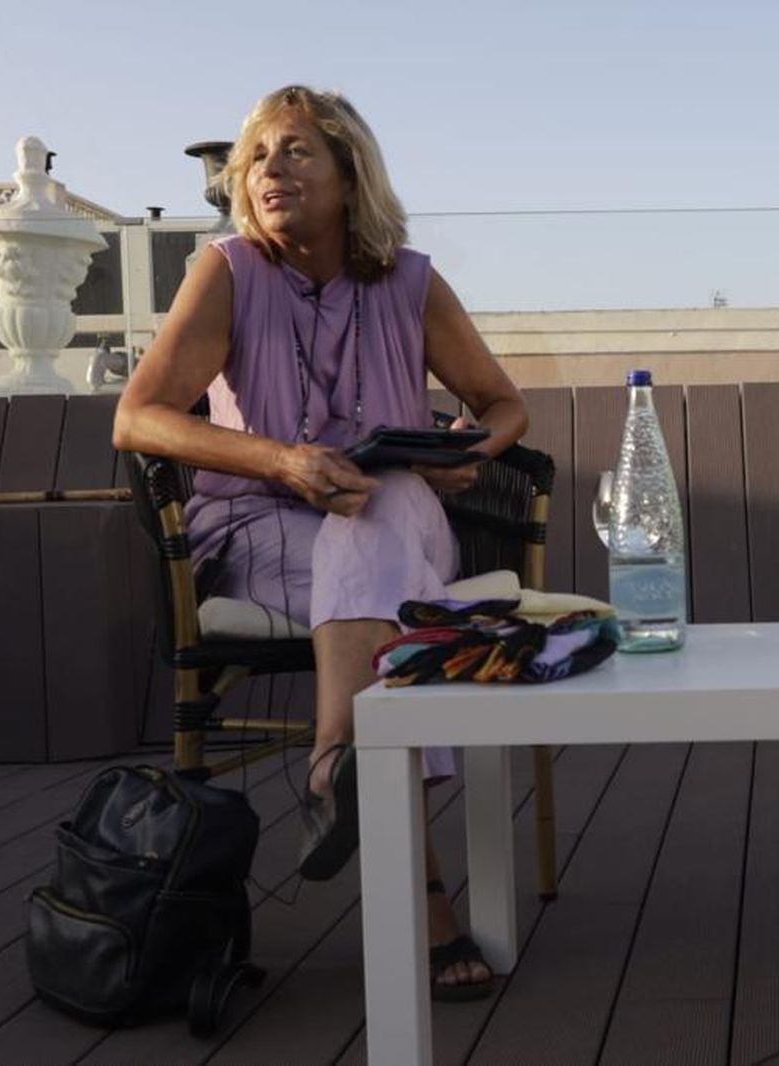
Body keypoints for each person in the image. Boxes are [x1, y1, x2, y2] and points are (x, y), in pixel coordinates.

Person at [113, 85, 528, 995]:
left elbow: (503, 404)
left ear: (350, 174)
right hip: (259, 526)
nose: (269, 170)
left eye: (296, 151)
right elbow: (138, 417)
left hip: (398, 517)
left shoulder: (412, 281)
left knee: (380, 504)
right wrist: (283, 461)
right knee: (387, 588)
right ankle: (414, 878)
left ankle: (336, 764)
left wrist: (468, 451)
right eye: (257, 156)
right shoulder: (226, 271)